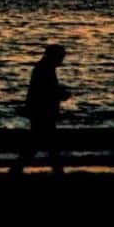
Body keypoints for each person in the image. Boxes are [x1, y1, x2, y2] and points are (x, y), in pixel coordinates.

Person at [10, 44, 71, 174]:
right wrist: (61, 94)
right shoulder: (45, 69)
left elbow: (43, 90)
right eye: (61, 56)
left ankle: (16, 169)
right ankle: (57, 172)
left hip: (40, 111)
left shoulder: (43, 67)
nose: (62, 59)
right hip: (42, 112)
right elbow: (46, 91)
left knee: (37, 144)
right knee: (46, 145)